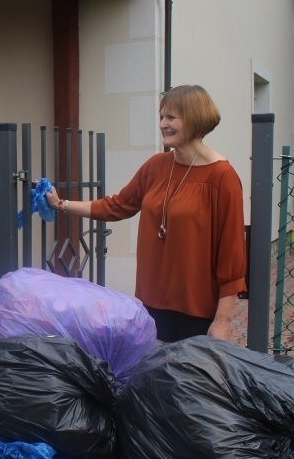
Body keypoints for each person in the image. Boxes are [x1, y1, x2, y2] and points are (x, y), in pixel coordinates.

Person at [44, 85, 246, 342]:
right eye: (161, 117)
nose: (163, 124)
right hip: (152, 306)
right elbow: (117, 205)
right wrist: (61, 204)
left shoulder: (222, 177)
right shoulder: (156, 167)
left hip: (197, 313)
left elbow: (232, 256)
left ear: (195, 119)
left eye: (171, 117)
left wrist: (222, 320)